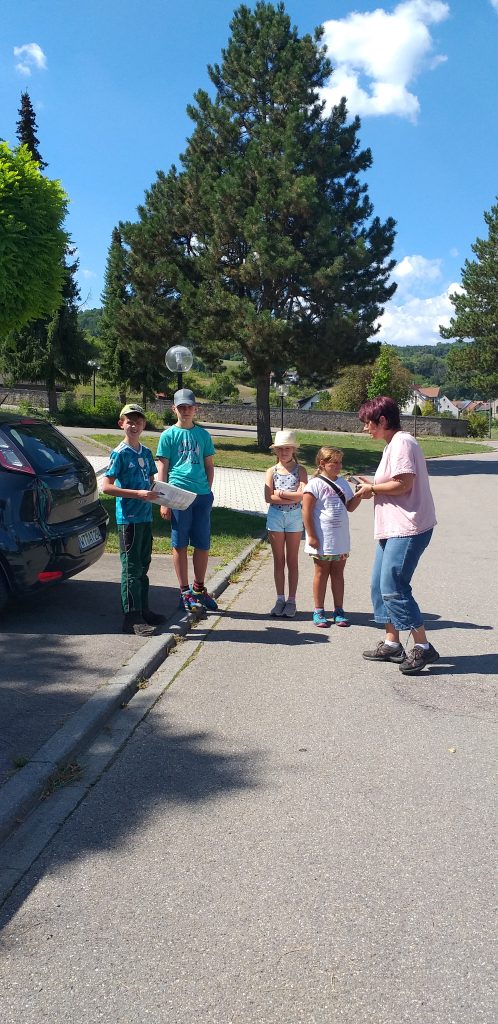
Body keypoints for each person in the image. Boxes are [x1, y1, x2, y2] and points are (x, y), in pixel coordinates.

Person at [355, 395, 439, 674]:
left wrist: (373, 489)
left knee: (394, 586)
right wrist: (373, 485)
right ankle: (392, 642)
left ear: (382, 420)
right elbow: (394, 482)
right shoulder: (392, 444)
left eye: (368, 423)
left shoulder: (402, 442)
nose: (365, 428)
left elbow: (404, 484)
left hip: (407, 528)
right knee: (379, 586)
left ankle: (423, 647)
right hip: (392, 528)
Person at [102, 403, 166, 637]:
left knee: (143, 565)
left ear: (143, 425)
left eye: (138, 422)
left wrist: (165, 494)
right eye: (129, 421)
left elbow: (151, 482)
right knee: (130, 567)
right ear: (121, 424)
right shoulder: (119, 453)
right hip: (128, 519)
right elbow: (107, 487)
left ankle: (143, 609)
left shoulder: (146, 453)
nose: (134, 425)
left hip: (145, 517)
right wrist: (137, 494)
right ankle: (131, 617)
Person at [155, 388, 217, 613]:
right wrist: (164, 500)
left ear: (195, 409)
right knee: (179, 543)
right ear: (174, 409)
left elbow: (209, 465)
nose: (185, 411)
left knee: (202, 544)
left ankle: (199, 588)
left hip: (201, 496)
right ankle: (184, 591)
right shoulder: (168, 435)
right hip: (178, 495)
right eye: (181, 407)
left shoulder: (203, 435)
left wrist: (207, 491)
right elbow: (163, 468)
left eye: (189, 407)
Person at [302, 446, 362, 628]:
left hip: (340, 539)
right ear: (322, 463)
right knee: (321, 573)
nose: (338, 466)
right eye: (334, 463)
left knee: (338, 574)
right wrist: (311, 535)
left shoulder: (342, 482)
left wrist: (359, 494)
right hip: (322, 538)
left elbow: (350, 507)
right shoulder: (315, 484)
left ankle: (339, 610)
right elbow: (306, 511)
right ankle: (319, 610)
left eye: (340, 462)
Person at [264, 429, 308, 618]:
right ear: (276, 450)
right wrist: (292, 496)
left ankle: (292, 600)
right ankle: (280, 598)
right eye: (281, 449)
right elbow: (268, 497)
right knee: (279, 560)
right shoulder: (271, 471)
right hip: (275, 517)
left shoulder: (301, 470)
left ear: (293, 450)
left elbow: (303, 495)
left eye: (288, 448)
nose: (284, 452)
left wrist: (280, 493)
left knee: (292, 560)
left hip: (294, 518)